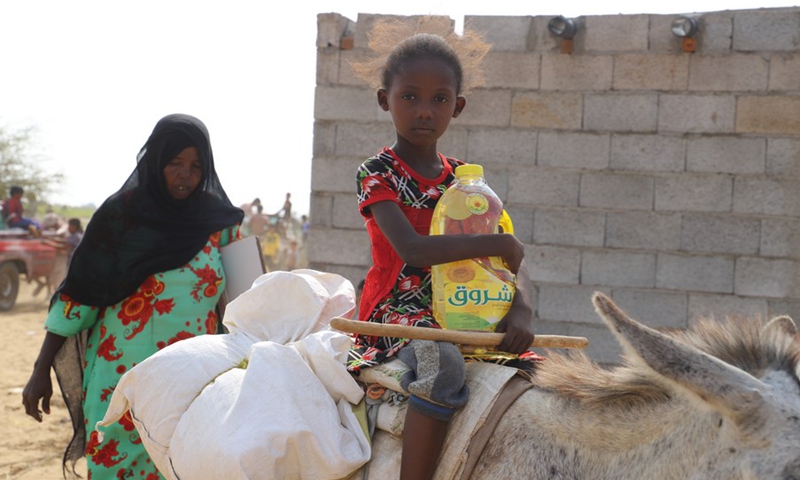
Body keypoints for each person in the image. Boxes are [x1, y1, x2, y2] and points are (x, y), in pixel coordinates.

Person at [348, 20, 536, 480]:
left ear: (458, 106)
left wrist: (521, 308)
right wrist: (496, 242)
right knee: (443, 365)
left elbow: (507, 261)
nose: (424, 111)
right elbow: (412, 249)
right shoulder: (378, 173)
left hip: (468, 306)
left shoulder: (466, 183)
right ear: (384, 100)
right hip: (400, 311)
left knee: (537, 375)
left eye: (439, 99)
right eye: (409, 96)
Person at [22, 114, 244, 479]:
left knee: (186, 468)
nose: (185, 174)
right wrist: (40, 369)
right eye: (175, 163)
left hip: (195, 383)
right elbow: (79, 297)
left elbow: (248, 299)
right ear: (155, 161)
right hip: (121, 384)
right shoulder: (120, 218)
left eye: (195, 166)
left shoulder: (220, 224)